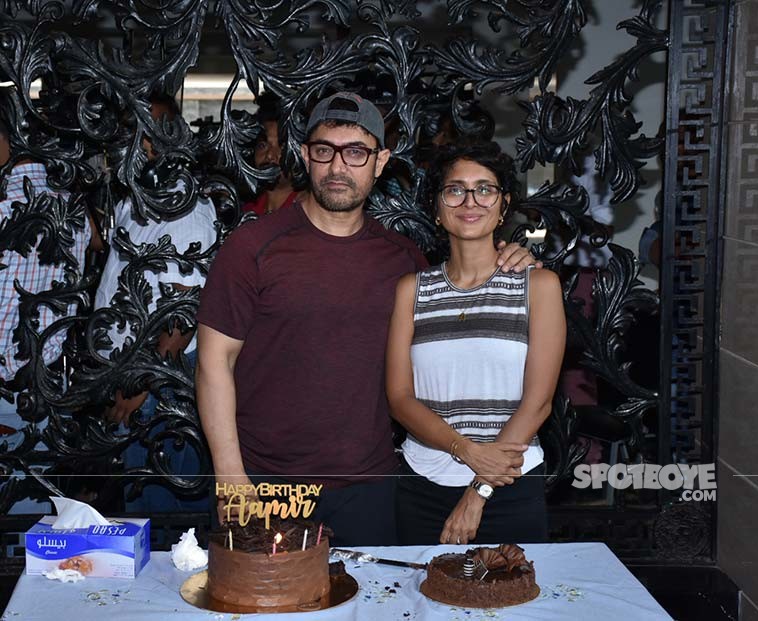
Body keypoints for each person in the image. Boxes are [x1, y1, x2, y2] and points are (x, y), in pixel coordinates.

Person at [195, 92, 536, 546]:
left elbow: (462, 322)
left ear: (380, 162)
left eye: (356, 152)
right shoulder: (252, 248)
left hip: (371, 485)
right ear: (305, 157)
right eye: (325, 151)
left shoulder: (402, 260)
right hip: (266, 481)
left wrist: (509, 259)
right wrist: (231, 476)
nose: (339, 167)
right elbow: (214, 363)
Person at [386, 141, 566, 545]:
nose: (471, 200)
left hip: (509, 486)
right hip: (423, 483)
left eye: (485, 189)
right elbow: (400, 398)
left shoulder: (538, 286)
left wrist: (478, 490)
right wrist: (464, 449)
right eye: (455, 189)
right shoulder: (410, 291)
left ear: (503, 206)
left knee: (510, 602)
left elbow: (538, 403)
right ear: (437, 206)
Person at [94, 92, 217, 512]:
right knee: (138, 511)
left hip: (160, 393)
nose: (131, 141)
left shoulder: (183, 208)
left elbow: (183, 314)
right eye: (129, 130)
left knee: (165, 521)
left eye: (142, 132)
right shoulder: (138, 199)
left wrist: (139, 388)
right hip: (132, 379)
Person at [0, 116, 92, 513]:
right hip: (48, 377)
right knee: (33, 501)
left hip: (3, 377)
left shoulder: (4, 205)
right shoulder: (72, 207)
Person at [242, 94, 300, 216]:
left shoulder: (308, 212)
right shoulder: (248, 212)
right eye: (263, 146)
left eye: (282, 147)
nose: (269, 155)